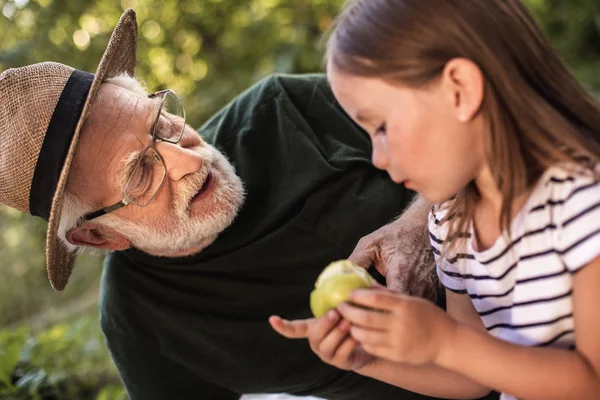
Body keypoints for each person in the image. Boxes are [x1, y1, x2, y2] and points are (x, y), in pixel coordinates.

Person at [0, 8, 489, 400]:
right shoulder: (141, 324)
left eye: (163, 123)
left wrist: (418, 222)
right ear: (99, 234)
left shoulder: (280, 111)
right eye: (142, 172)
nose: (190, 161)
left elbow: (476, 124)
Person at [271, 0, 600, 399]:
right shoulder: (453, 223)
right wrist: (369, 359)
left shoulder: (583, 202)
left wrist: (446, 341)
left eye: (381, 127)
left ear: (460, 89)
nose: (377, 157)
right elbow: (477, 376)